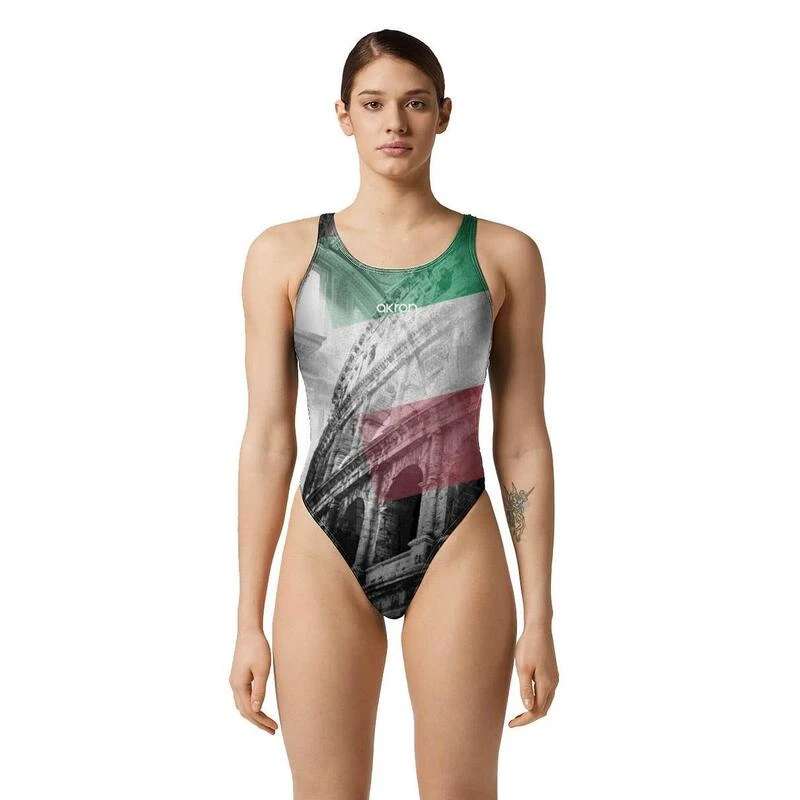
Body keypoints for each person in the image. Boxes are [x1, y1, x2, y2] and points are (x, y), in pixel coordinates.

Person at [229, 28, 558, 800]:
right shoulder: (284, 255)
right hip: (325, 546)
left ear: (444, 114)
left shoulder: (502, 254)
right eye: (373, 104)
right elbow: (269, 441)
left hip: (457, 543)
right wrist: (247, 618)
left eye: (414, 103)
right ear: (343, 115)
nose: (395, 123)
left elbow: (521, 440)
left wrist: (540, 613)